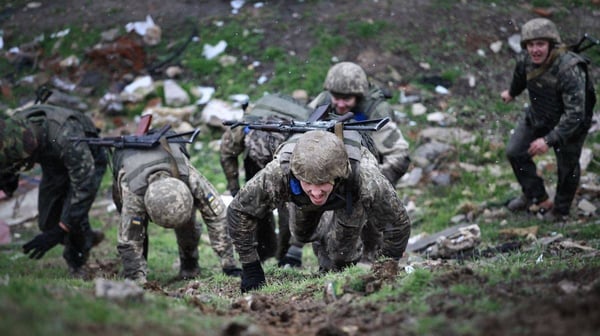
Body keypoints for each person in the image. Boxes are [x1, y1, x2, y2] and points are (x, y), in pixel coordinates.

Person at [227, 130, 411, 292]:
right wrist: (250, 266)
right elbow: (238, 211)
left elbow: (397, 223)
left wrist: (386, 266)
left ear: (338, 175)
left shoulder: (365, 177)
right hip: (301, 201)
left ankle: (337, 245)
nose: (315, 192)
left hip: (347, 198)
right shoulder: (277, 173)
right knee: (301, 235)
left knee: (342, 257)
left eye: (322, 183)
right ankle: (324, 230)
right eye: (308, 183)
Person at [112, 127, 241, 284]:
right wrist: (136, 280)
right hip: (130, 166)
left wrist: (228, 263)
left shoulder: (190, 178)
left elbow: (217, 215)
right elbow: (128, 240)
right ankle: (138, 273)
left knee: (189, 228)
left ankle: (189, 266)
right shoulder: (133, 195)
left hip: (171, 169)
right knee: (136, 231)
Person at [501, 18, 596, 221]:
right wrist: (511, 93)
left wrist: (548, 140)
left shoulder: (569, 69)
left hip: (571, 123)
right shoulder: (526, 60)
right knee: (515, 151)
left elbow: (576, 114)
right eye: (531, 44)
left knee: (567, 166)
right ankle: (535, 195)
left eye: (540, 44)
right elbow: (520, 76)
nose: (535, 50)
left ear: (551, 44)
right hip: (539, 114)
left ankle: (560, 210)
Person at [0, 104, 107, 277]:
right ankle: (85, 237)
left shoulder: (65, 136)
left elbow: (84, 187)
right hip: (54, 163)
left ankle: (77, 262)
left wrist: (62, 229)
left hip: (88, 160)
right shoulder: (13, 129)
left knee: (71, 218)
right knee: (47, 222)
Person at [220, 93, 312, 264]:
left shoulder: (300, 139)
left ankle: (285, 254)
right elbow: (226, 154)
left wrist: (294, 247)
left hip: (289, 163)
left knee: (291, 207)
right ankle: (263, 251)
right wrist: (233, 185)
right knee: (255, 204)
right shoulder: (241, 131)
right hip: (253, 163)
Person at [308, 61, 411, 185]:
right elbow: (303, 124)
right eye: (336, 98)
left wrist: (371, 182)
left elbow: (400, 156)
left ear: (359, 96)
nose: (340, 105)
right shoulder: (325, 99)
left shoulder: (376, 111)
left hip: (366, 174)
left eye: (346, 99)